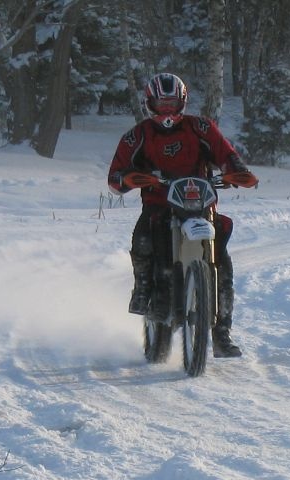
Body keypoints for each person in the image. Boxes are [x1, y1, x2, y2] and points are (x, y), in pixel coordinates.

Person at [108, 72, 257, 358]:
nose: (167, 110)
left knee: (222, 264)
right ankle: (143, 290)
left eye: (172, 104)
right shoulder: (137, 135)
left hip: (200, 203)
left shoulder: (201, 127)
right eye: (161, 104)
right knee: (142, 238)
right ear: (150, 104)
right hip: (159, 205)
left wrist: (237, 171)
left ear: (182, 102)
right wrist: (129, 179)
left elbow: (227, 154)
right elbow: (115, 176)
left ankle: (221, 333)